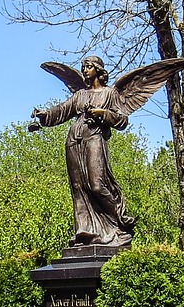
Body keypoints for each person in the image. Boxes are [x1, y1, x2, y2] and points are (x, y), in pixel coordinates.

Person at [31, 56, 137, 247]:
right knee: (79, 188)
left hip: (94, 138)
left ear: (98, 70)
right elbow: (63, 110)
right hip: (74, 141)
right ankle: (85, 232)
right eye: (83, 67)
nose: (85, 70)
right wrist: (44, 115)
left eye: (88, 67)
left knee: (96, 184)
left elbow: (122, 121)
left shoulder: (110, 94)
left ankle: (120, 220)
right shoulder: (80, 95)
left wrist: (102, 114)